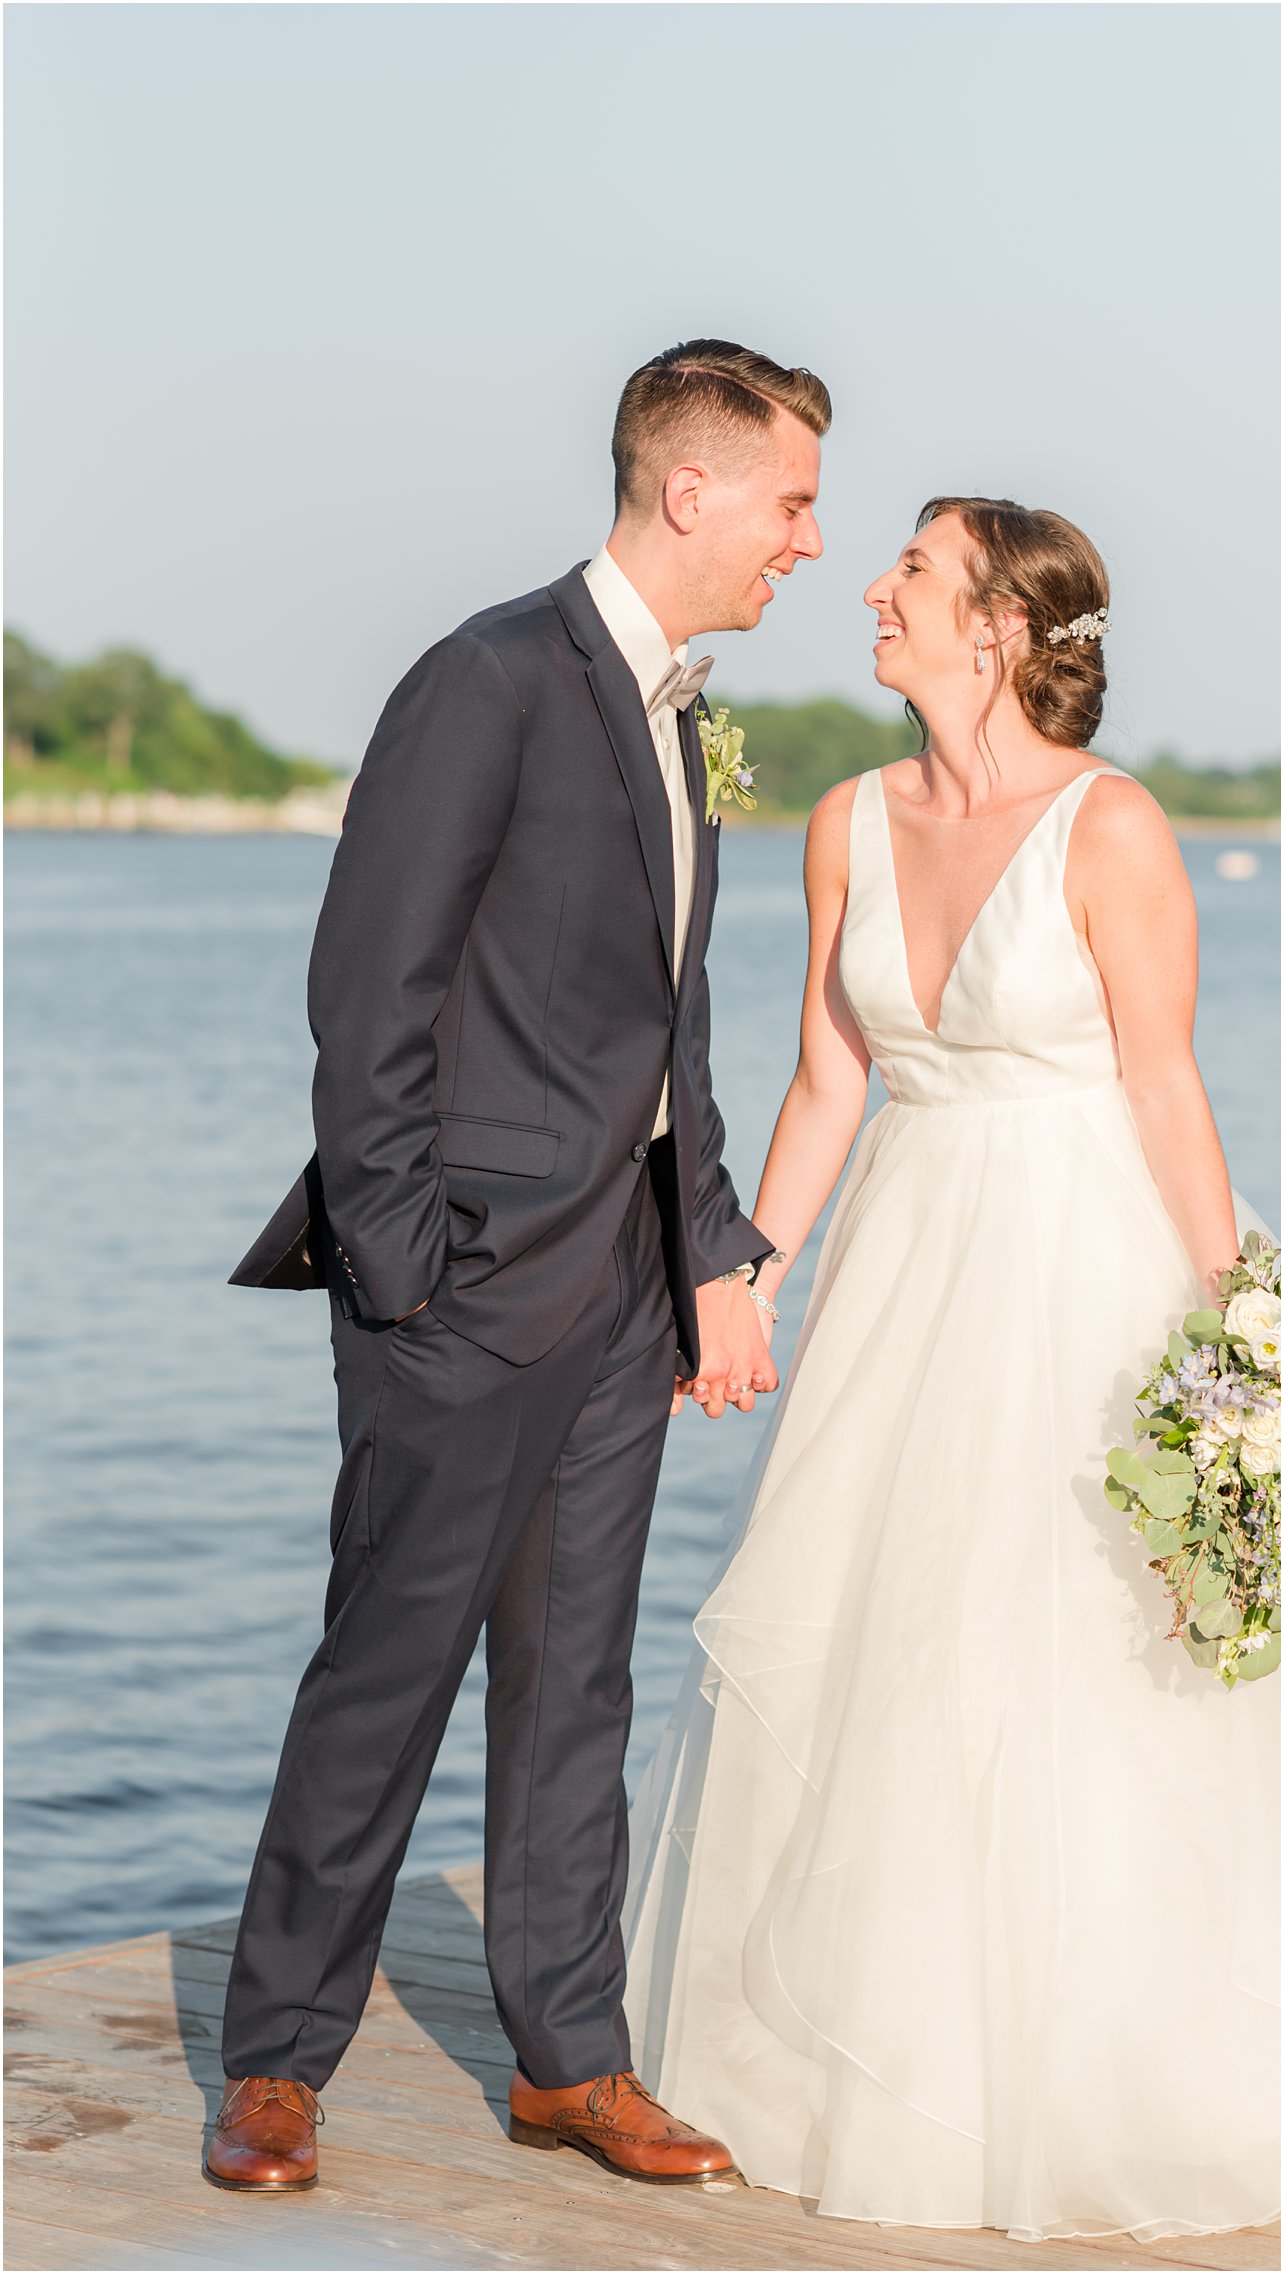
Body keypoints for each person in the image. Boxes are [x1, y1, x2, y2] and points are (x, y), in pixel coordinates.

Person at [622, 497, 1281, 2240]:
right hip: (903, 1279)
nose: (872, 589)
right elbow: (826, 1083)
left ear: (1000, 631)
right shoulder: (840, 821)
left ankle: (1138, 2058)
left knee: (1091, 1655)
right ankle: (886, 2044)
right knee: (897, 1641)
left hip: (1088, 1266)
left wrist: (1265, 1348)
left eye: (913, 573)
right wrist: (744, 1280)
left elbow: (1168, 1090)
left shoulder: (1113, 829)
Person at [206, 339, 830, 2194]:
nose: (810, 537)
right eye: (794, 500)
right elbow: (366, 992)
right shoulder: (483, 679)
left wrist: (708, 1249)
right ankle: (274, 2057)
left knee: (581, 1684)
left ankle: (570, 2054)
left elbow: (676, 1016)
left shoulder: (683, 713)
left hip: (626, 1288)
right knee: (387, 1668)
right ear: (689, 486)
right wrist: (404, 1270)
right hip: (462, 1287)